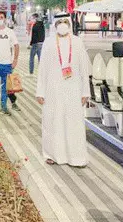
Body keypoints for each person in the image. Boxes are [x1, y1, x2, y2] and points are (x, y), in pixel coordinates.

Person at [35, 13, 90, 167]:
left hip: (74, 89)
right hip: (53, 90)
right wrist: (40, 91)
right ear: (55, 24)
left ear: (70, 24)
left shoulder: (77, 42)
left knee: (74, 123)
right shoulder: (48, 42)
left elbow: (84, 69)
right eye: (59, 22)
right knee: (53, 122)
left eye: (65, 21)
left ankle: (76, 157)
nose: (62, 24)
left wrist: (85, 91)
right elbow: (42, 68)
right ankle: (52, 155)